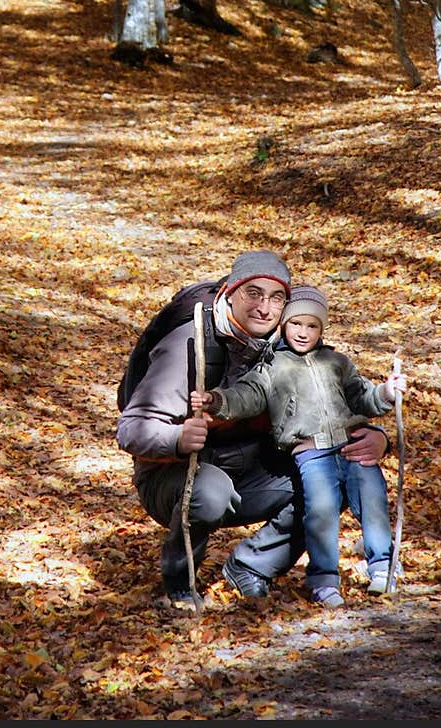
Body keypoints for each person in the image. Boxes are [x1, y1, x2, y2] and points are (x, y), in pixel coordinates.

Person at [116, 252, 389, 611]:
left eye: (276, 298)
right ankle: (180, 584)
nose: (264, 307)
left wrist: (376, 437)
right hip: (173, 474)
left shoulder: (286, 346)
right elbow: (131, 428)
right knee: (209, 491)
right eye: (253, 293)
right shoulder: (190, 344)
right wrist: (178, 439)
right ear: (231, 292)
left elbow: (325, 408)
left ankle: (250, 566)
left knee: (328, 477)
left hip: (248, 468)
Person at [192, 283, 405, 609]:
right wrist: (216, 400)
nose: (303, 332)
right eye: (295, 324)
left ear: (321, 329)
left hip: (350, 445)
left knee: (372, 499)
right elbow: (244, 397)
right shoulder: (273, 368)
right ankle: (323, 581)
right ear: (283, 325)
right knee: (320, 511)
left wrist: (386, 393)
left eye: (312, 325)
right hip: (311, 453)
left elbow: (363, 398)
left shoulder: (337, 362)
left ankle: (383, 567)